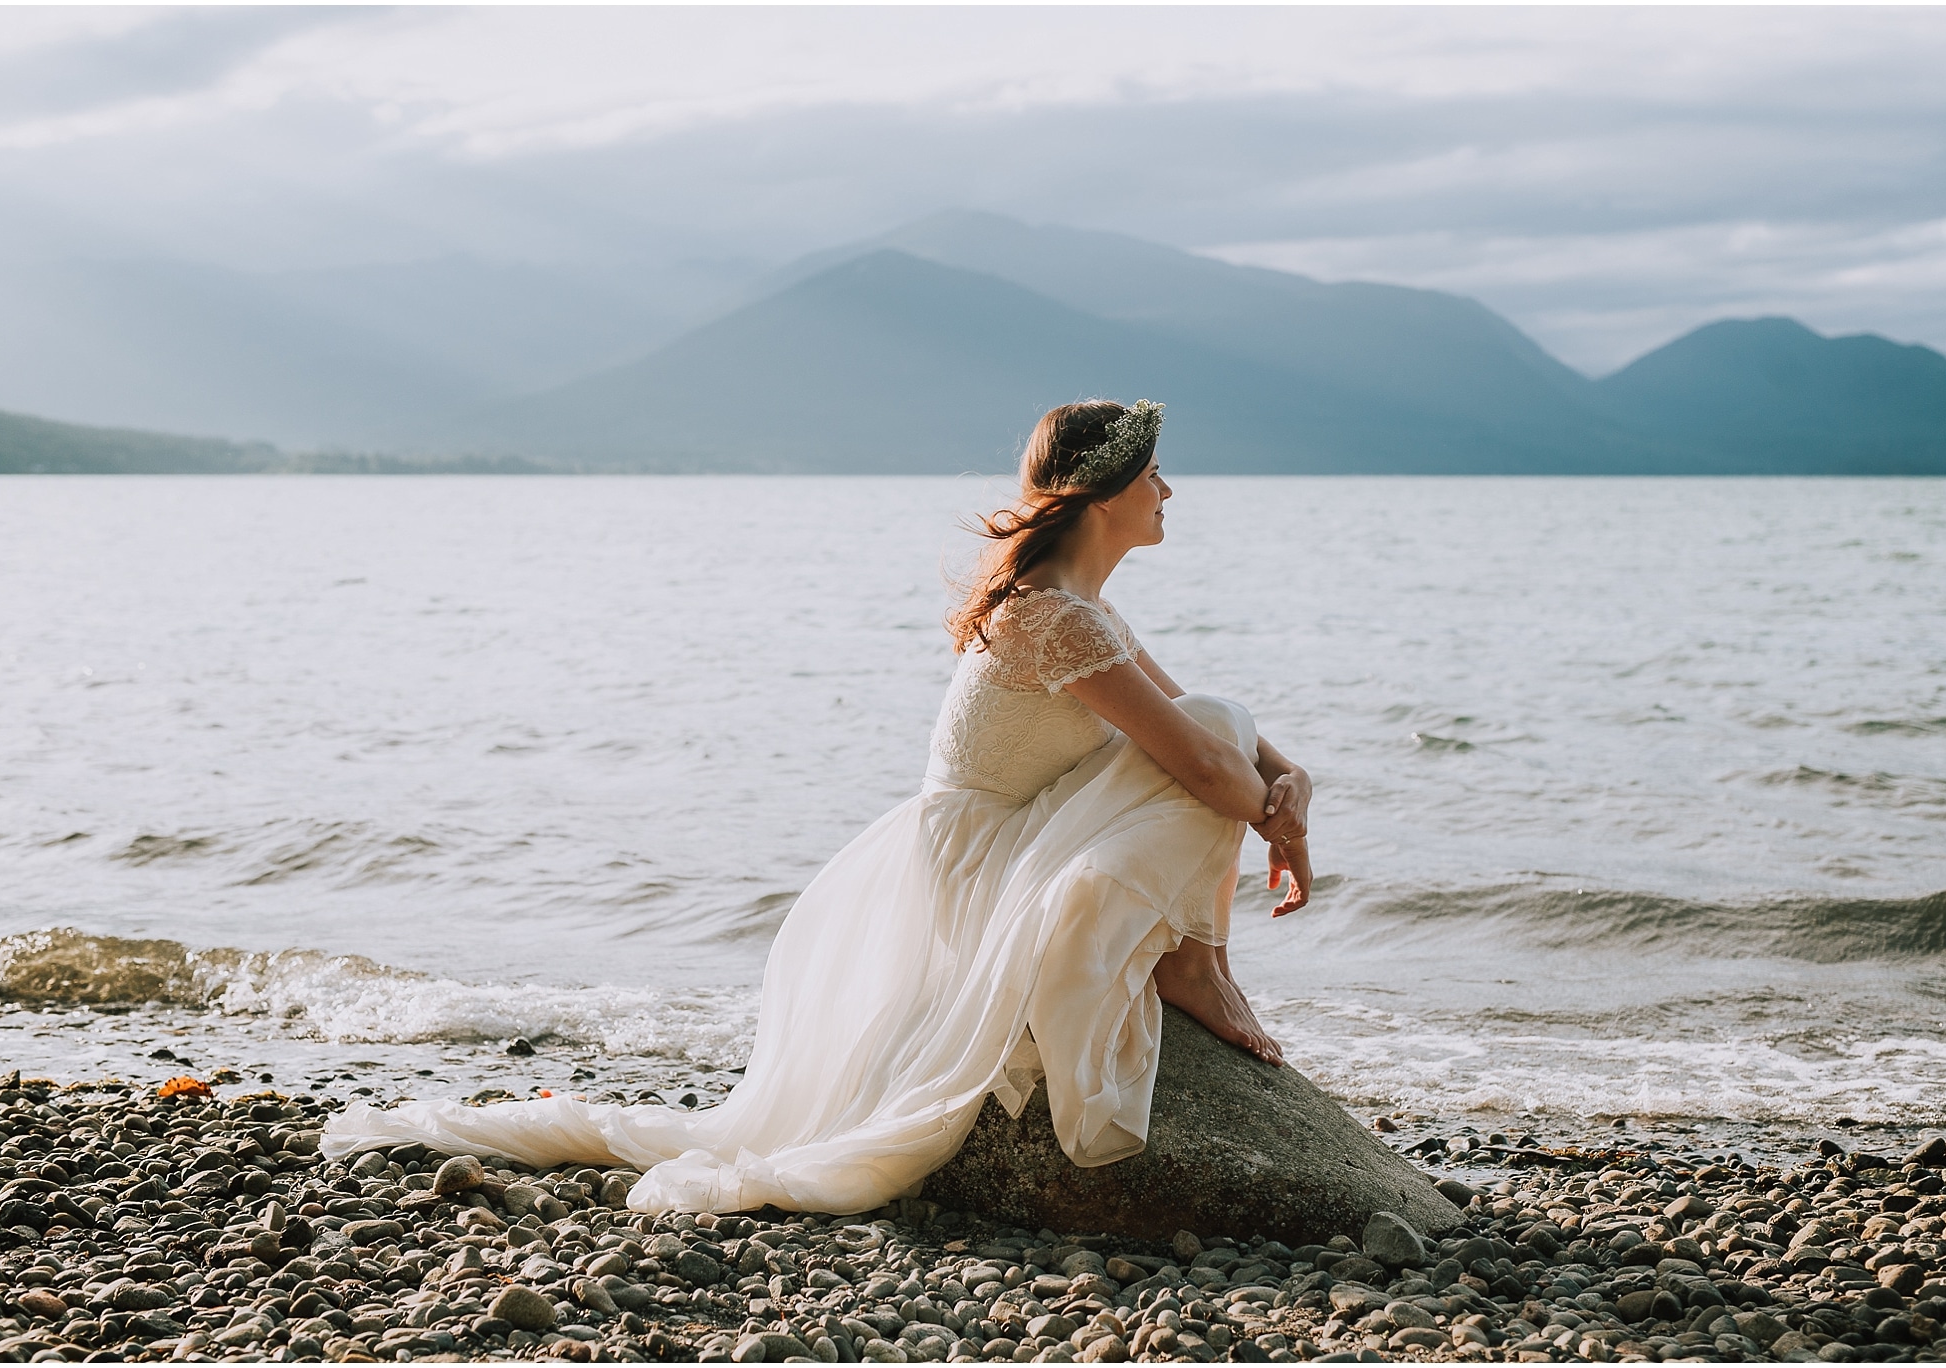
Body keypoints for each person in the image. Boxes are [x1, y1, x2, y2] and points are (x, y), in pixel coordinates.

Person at [322, 398, 1315, 1215]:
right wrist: (1265, 796)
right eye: (1152, 475)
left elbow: (1221, 740)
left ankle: (1196, 961)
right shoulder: (1048, 617)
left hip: (1004, 840)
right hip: (975, 867)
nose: (1168, 490)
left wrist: (1293, 791)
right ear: (1103, 497)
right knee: (1210, 727)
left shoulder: (1075, 607)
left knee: (1213, 719)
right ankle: (1193, 966)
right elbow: (1213, 768)